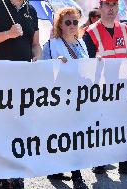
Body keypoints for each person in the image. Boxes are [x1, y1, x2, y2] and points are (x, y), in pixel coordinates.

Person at [0, 0, 41, 188]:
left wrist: (37, 55)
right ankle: (1, 174)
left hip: (23, 79)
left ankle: (16, 173)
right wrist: (8, 34)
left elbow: (35, 44)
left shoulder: (31, 10)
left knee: (21, 126)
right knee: (1, 128)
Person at [83, 0, 127, 175]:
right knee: (101, 124)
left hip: (123, 85)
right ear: (100, 7)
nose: (111, 8)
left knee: (125, 124)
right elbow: (85, 60)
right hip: (101, 87)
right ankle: (99, 161)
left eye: (114, 5)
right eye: (107, 4)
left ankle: (125, 163)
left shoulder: (125, 29)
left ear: (118, 7)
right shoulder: (91, 32)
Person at [41, 7, 88, 189]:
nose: (71, 25)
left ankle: (62, 170)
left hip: (80, 97)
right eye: (67, 22)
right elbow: (40, 71)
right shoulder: (51, 45)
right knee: (65, 136)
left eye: (75, 22)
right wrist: (55, 64)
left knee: (75, 136)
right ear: (60, 24)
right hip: (59, 98)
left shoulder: (82, 44)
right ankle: (77, 176)